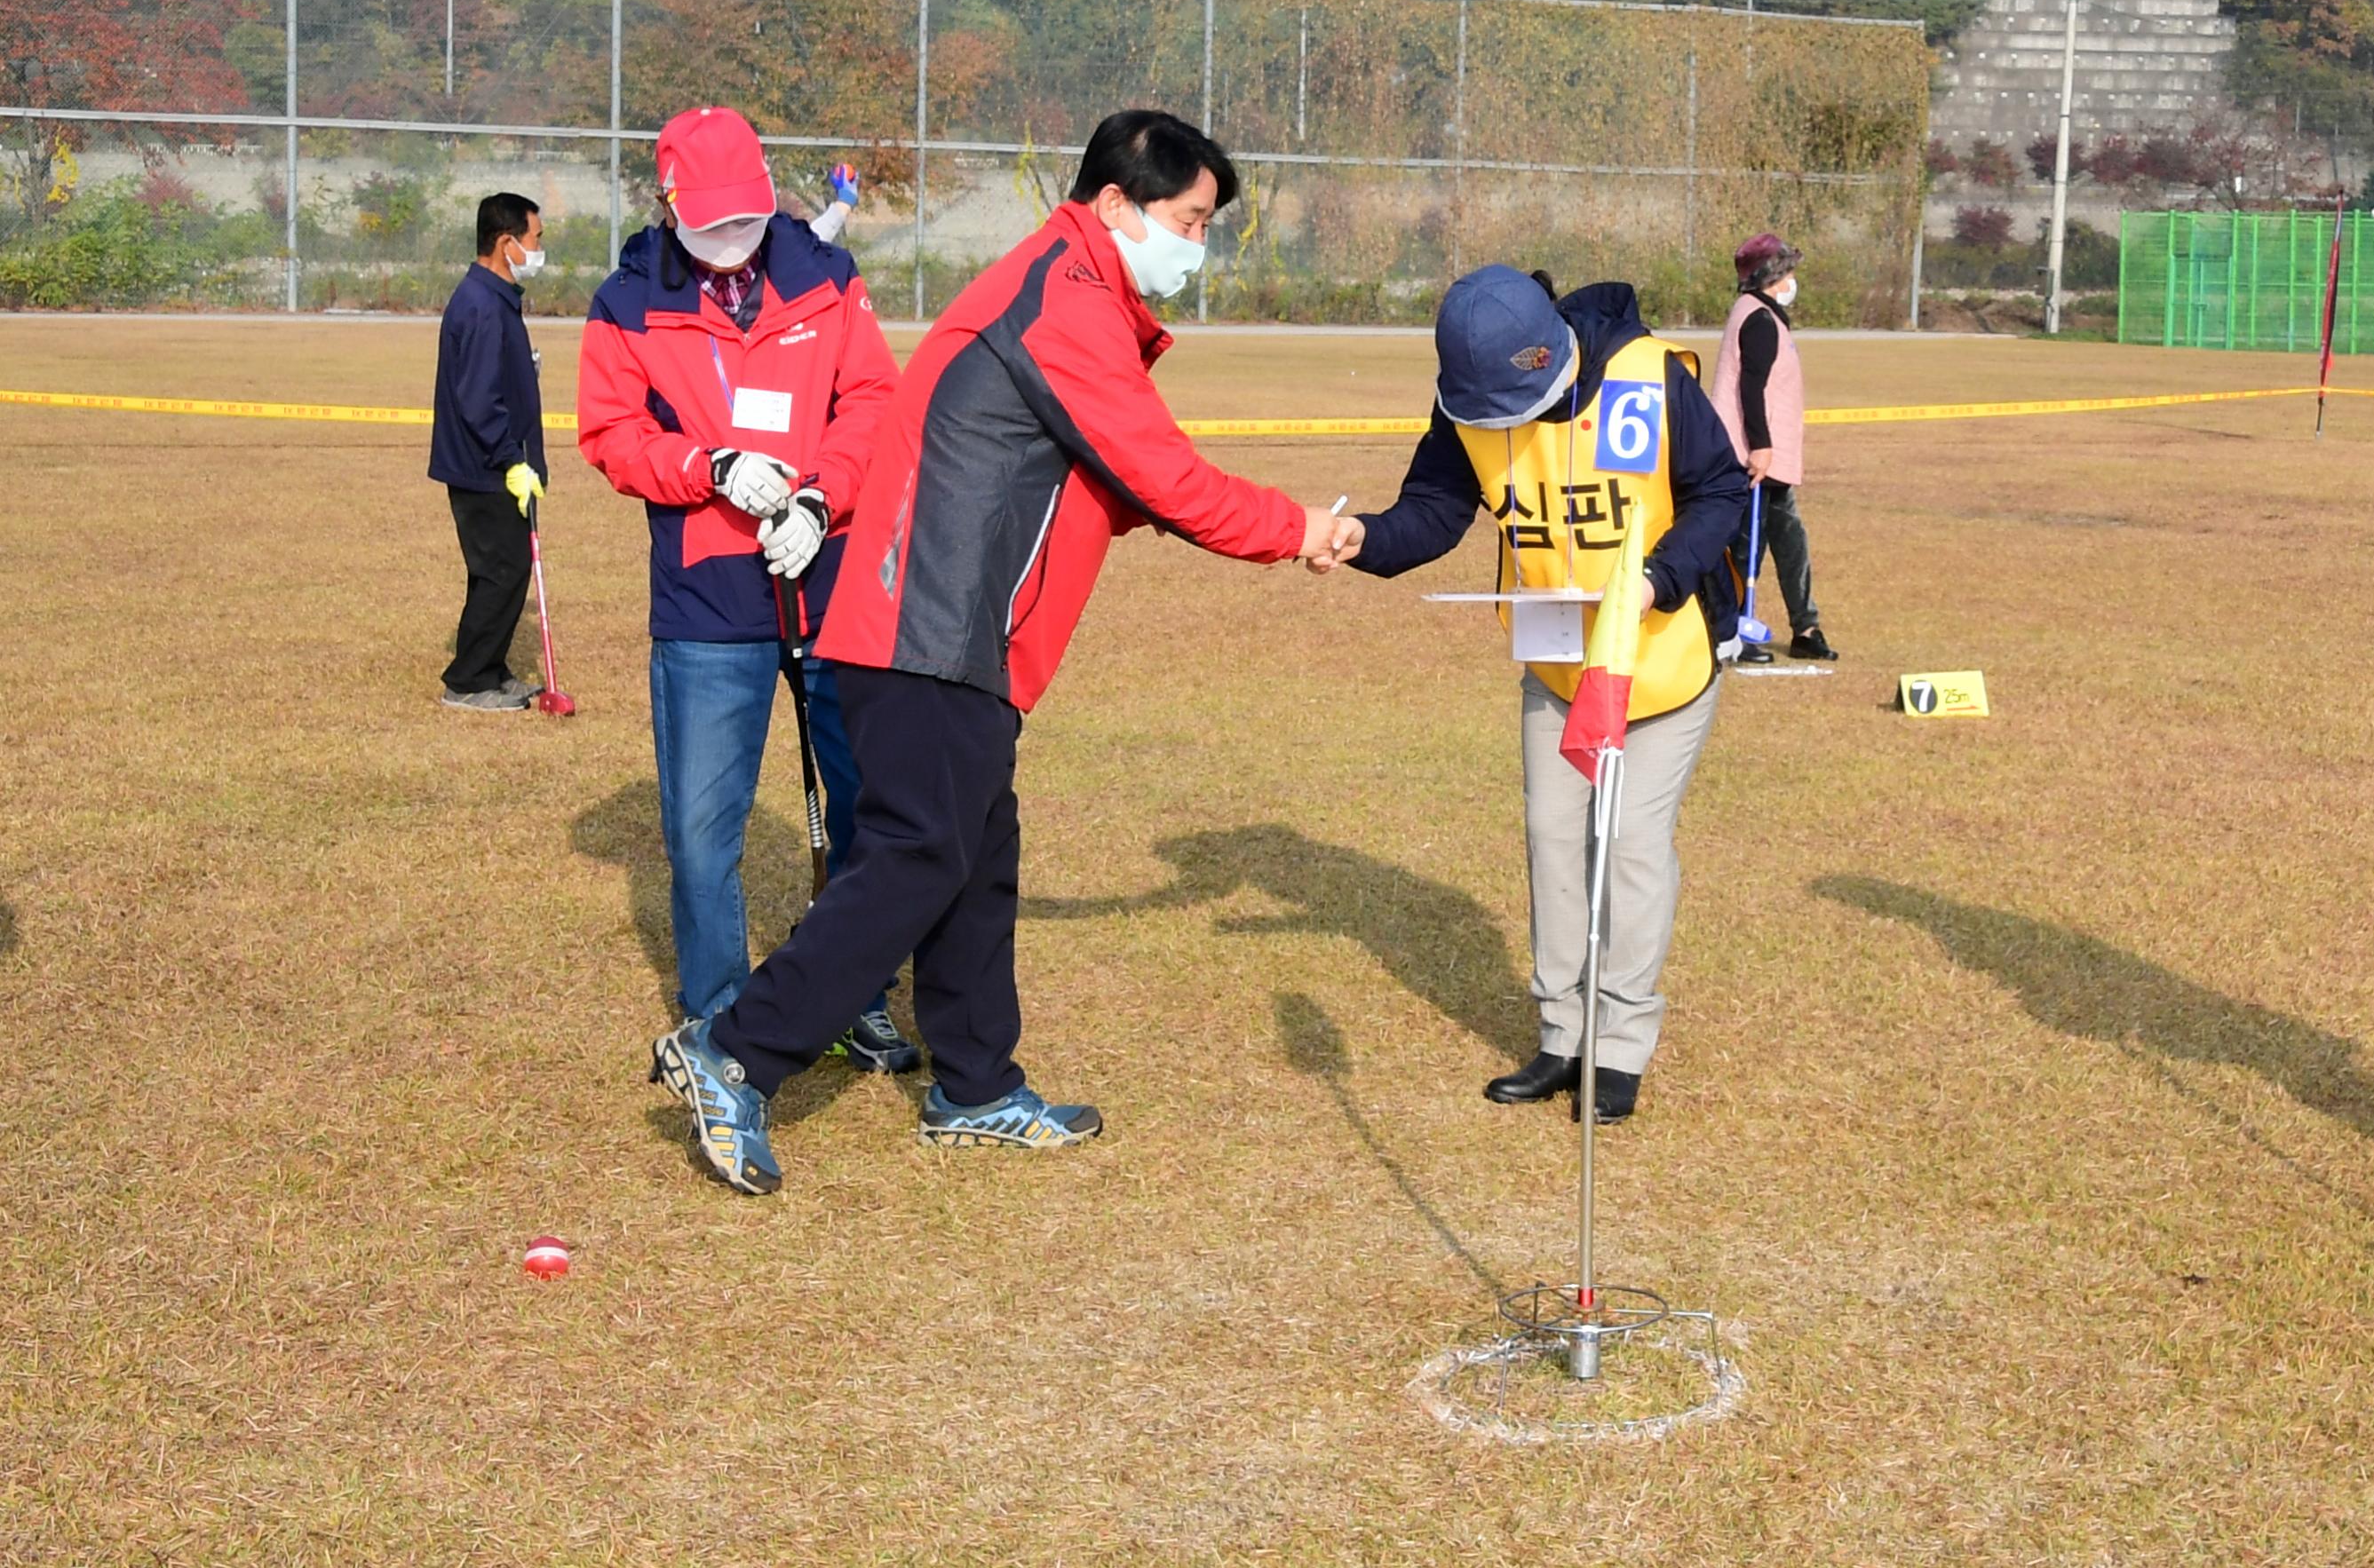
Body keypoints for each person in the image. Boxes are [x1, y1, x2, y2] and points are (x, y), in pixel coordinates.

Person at [647, 109, 1360, 1194]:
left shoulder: (1067, 290)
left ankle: (974, 1085)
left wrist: (1253, 523)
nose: (1197, 244)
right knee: (919, 857)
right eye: (1190, 219)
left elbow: (1109, 482)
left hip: (951, 634)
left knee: (978, 855)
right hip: (923, 626)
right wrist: (1293, 528)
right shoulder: (1066, 303)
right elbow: (1159, 471)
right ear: (1116, 203)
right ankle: (736, 1046)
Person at [1346, 265, 1750, 1122]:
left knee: (1631, 847)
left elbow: (1721, 491)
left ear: (1550, 359)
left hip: (1662, 659)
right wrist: (1360, 539)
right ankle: (1562, 1037)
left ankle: (1620, 1046)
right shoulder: (1471, 398)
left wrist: (1658, 579)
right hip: (1558, 663)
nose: (1503, 426)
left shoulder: (1648, 379)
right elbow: (1432, 508)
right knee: (1554, 841)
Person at [579, 106, 914, 1067]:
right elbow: (610, 435)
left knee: (862, 802)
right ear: (667, 204)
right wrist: (708, 466)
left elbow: (874, 402)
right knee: (700, 826)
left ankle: (857, 988)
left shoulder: (826, 275)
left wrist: (822, 496)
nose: (731, 252)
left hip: (829, 575)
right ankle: (721, 1014)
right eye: (710, 229)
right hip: (706, 598)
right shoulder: (627, 301)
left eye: (745, 225)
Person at [431, 192, 549, 711]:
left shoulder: (496, 300)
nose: (539, 248)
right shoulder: (480, 306)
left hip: (496, 464)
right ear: (507, 243)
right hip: (485, 468)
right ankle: (469, 681)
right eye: (535, 239)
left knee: (505, 568)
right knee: (501, 570)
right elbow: (478, 400)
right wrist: (512, 461)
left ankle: (493, 670)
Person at [1710, 232, 1836, 663]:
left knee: (1789, 539)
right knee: (1746, 546)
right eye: (1788, 273)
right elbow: (1752, 387)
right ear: (1773, 276)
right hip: (1751, 456)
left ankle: (1805, 626)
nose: (1793, 281)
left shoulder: (1763, 314)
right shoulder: (1759, 319)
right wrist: (1761, 448)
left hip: (1770, 459)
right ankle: (1734, 631)